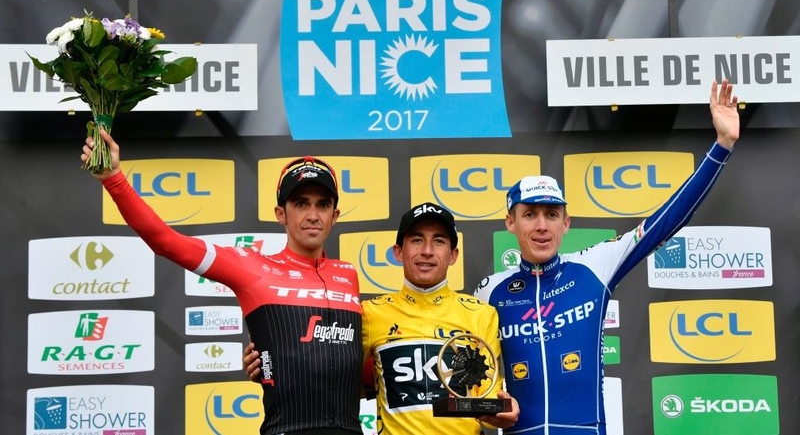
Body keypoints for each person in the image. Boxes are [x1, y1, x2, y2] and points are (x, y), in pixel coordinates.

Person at [473, 78, 742, 435]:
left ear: (566, 222)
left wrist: (722, 146)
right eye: (530, 214)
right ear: (511, 222)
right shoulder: (489, 293)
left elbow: (666, 220)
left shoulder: (593, 266)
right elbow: (458, 394)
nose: (542, 226)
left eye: (551, 215)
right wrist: (485, 410)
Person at [80, 135, 363, 435]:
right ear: (281, 214)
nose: (312, 215)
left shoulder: (348, 275)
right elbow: (166, 242)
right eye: (300, 203)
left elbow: (358, 363)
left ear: (335, 216)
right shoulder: (253, 267)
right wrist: (113, 179)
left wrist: (275, 360)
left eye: (322, 205)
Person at [246, 202, 520, 434]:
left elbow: (488, 399)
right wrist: (274, 367)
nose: (427, 250)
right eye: (416, 240)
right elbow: (333, 379)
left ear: (453, 255)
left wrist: (500, 411)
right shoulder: (369, 314)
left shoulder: (482, 314)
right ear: (398, 253)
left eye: (439, 241)